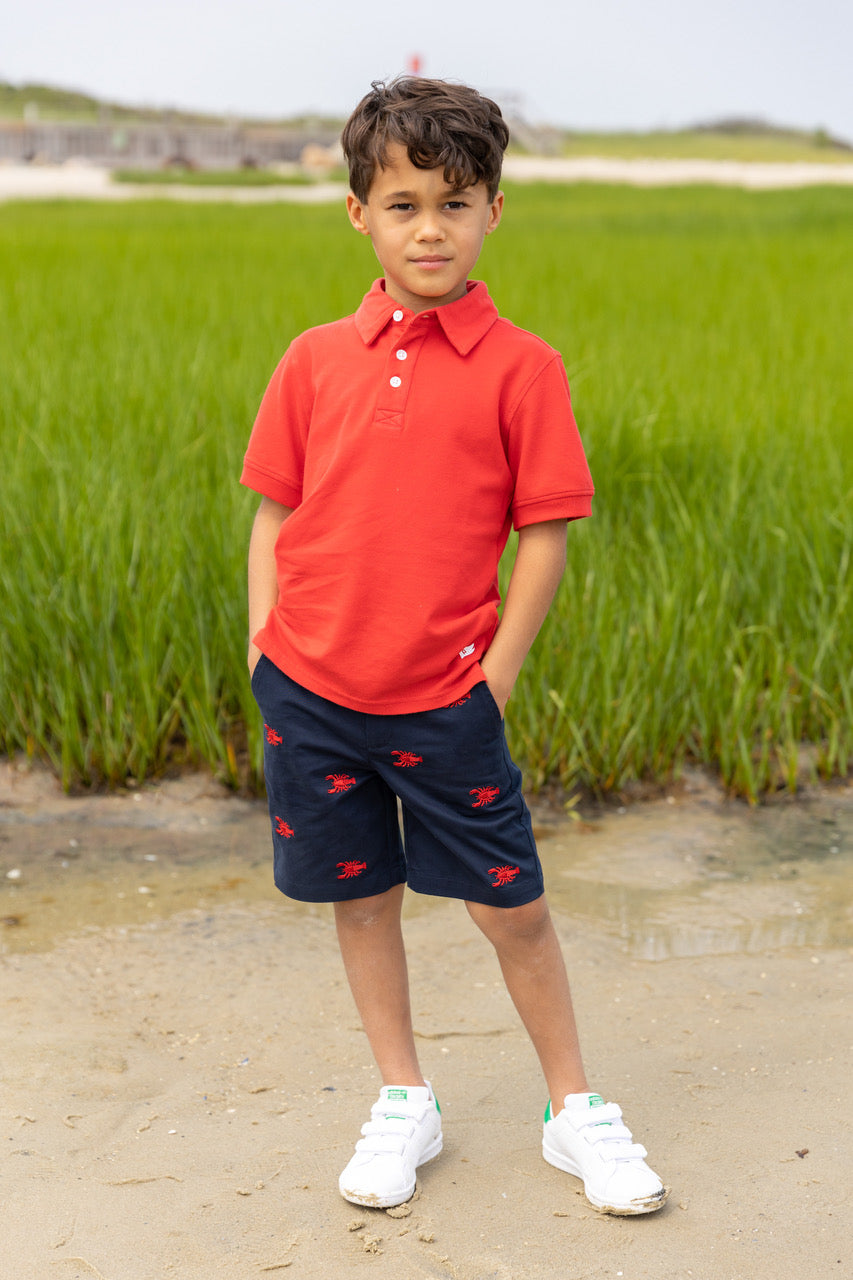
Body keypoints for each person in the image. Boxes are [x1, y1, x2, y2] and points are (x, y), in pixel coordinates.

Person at [241, 76, 667, 1217]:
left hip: (444, 698)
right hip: (312, 689)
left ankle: (572, 1105)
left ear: (492, 214)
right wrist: (259, 653)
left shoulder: (522, 367)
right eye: (401, 204)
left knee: (509, 905)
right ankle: (402, 1093)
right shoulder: (313, 357)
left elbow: (545, 533)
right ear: (357, 214)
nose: (428, 228)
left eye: (455, 202)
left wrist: (498, 675)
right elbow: (275, 514)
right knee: (360, 895)